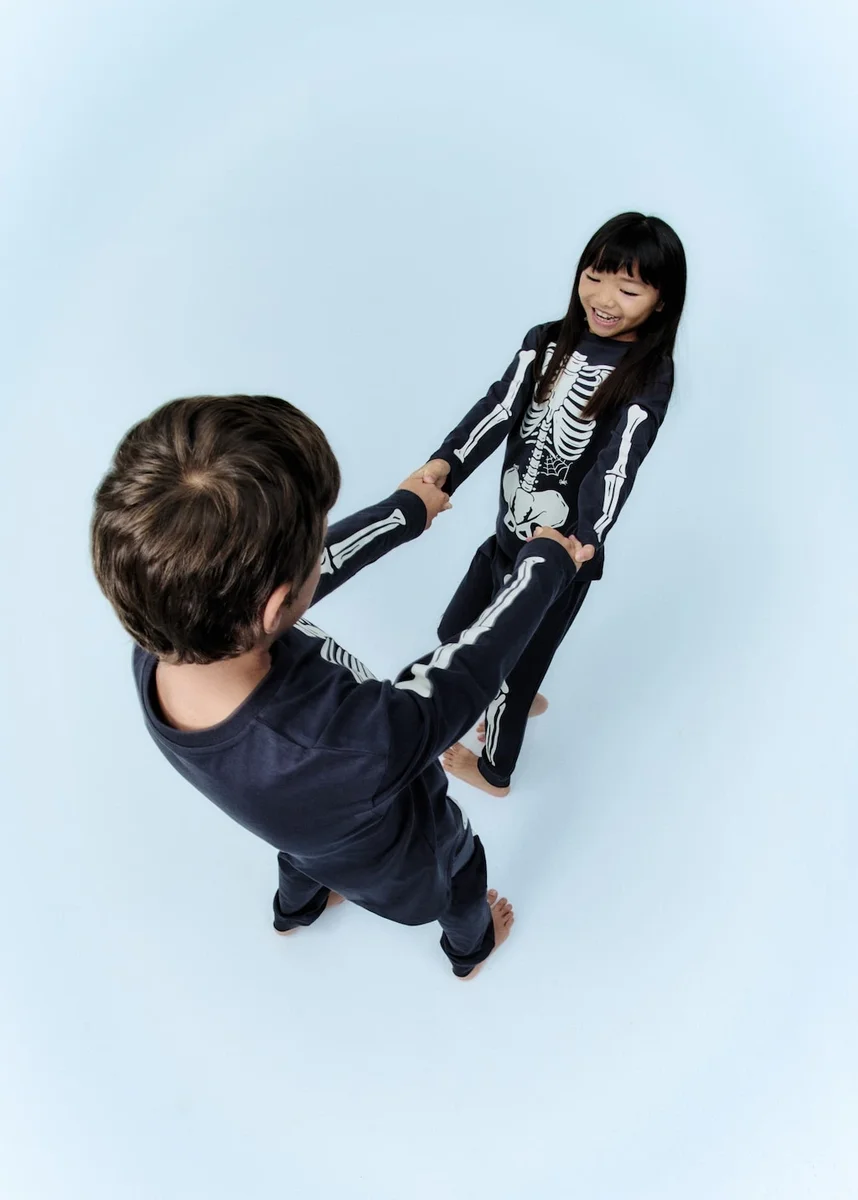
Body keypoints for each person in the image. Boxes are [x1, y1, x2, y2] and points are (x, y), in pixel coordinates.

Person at [90, 394, 584, 978]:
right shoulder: (356, 742)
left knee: (304, 858)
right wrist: (543, 568)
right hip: (402, 852)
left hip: (304, 829)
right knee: (463, 868)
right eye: (313, 543)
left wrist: (403, 513)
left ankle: (294, 912)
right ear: (274, 606)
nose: (319, 549)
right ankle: (470, 948)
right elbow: (461, 678)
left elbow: (286, 576)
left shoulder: (165, 633)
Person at [411, 212, 687, 796]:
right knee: (456, 629)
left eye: (629, 290)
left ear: (661, 301)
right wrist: (446, 464)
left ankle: (495, 772)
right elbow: (497, 408)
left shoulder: (648, 374)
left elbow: (619, 460)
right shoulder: (546, 340)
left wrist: (585, 535)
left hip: (558, 557)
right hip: (506, 536)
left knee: (514, 672)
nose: (604, 299)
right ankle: (516, 685)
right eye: (595, 277)